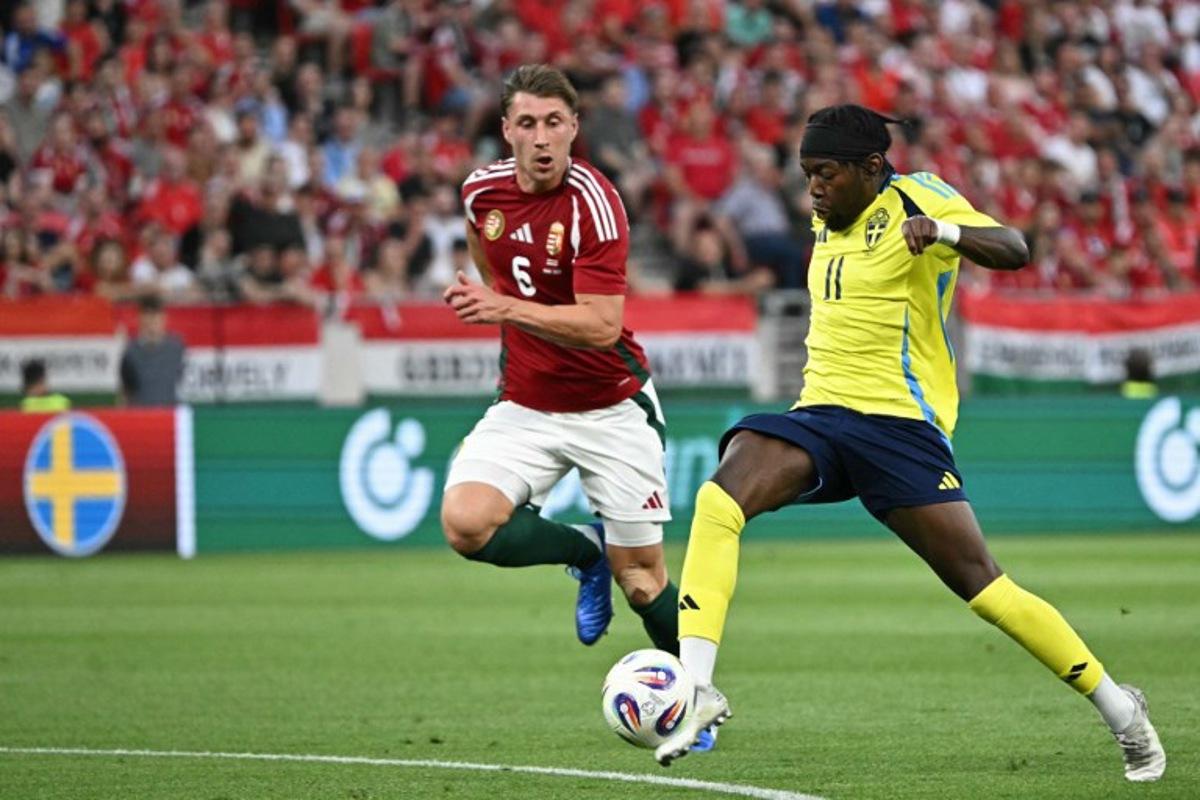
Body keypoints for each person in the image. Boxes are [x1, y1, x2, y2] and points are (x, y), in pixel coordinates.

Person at [654, 105, 1166, 783]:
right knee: (722, 498)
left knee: (982, 587)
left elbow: (1016, 249)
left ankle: (1121, 710)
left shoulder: (917, 196)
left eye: (825, 174)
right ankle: (697, 688)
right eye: (807, 174)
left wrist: (945, 230)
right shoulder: (827, 214)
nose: (812, 188)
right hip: (821, 415)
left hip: (900, 429)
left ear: (872, 169)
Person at [440, 64, 717, 751]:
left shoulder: (594, 202)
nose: (541, 138)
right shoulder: (480, 191)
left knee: (645, 583)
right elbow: (489, 256)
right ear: (506, 131)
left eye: (554, 123)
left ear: (574, 129)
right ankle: (582, 550)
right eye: (527, 124)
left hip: (610, 406)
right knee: (466, 523)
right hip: (528, 403)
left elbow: (600, 324)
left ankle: (695, 703)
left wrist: (502, 308)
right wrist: (503, 306)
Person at [118, 294, 186, 407]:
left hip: (169, 413)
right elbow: (126, 389)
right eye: (147, 316)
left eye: (155, 317)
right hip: (140, 415)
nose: (151, 322)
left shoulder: (176, 347)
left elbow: (182, 378)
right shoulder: (131, 351)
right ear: (140, 319)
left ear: (164, 318)